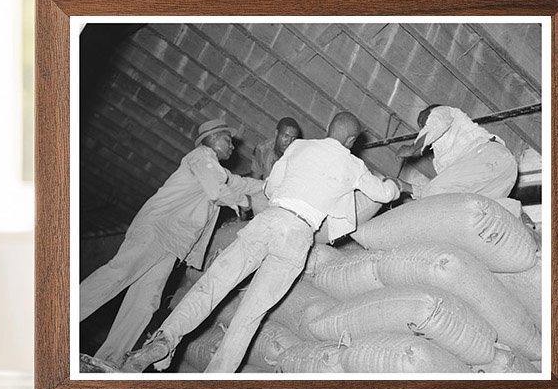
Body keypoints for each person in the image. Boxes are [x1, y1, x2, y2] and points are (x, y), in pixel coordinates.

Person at [121, 111, 401, 374]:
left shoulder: (299, 148)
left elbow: (270, 187)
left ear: (328, 128)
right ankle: (214, 379)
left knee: (212, 284)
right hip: (298, 234)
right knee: (250, 315)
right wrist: (394, 185)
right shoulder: (353, 165)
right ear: (352, 141)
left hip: (269, 221)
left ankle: (163, 340)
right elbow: (384, 194)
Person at [78, 118, 263, 363]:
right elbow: (219, 192)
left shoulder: (215, 170)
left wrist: (267, 186)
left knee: (146, 303)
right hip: (156, 230)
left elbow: (237, 183)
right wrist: (245, 203)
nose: (232, 146)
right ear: (213, 139)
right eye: (228, 140)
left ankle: (109, 360)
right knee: (118, 274)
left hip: (171, 243)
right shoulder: (201, 156)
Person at [408, 104, 518, 199]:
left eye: (423, 121)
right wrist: (404, 187)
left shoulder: (443, 111)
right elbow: (444, 190)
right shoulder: (441, 157)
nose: (423, 127)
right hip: (503, 175)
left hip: (487, 156)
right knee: (474, 208)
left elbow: (438, 124)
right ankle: (519, 215)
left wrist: (412, 148)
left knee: (434, 193)